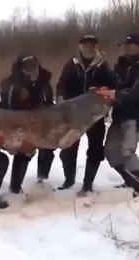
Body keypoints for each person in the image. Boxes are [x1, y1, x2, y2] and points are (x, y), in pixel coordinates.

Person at [56, 35, 113, 194]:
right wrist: (60, 96)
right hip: (73, 115)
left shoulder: (103, 65)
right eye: (85, 44)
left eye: (92, 44)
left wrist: (100, 93)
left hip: (94, 115)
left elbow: (112, 89)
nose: (89, 47)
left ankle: (88, 184)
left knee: (95, 149)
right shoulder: (71, 64)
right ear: (80, 46)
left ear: (96, 46)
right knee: (68, 147)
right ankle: (69, 179)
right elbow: (61, 84)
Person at [0, 54, 55, 194]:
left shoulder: (44, 81)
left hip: (42, 123)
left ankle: (42, 179)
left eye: (34, 65)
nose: (32, 69)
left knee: (48, 149)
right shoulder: (12, 84)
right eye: (27, 67)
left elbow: (48, 103)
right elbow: (8, 108)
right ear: (20, 69)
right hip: (21, 124)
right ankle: (15, 187)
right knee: (24, 153)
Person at [100, 33, 139, 194]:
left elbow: (135, 93)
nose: (127, 48)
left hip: (135, 116)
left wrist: (114, 94)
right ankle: (131, 181)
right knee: (110, 150)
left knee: (127, 152)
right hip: (118, 115)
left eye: (131, 45)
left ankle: (137, 185)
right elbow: (111, 84)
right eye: (125, 45)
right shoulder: (119, 66)